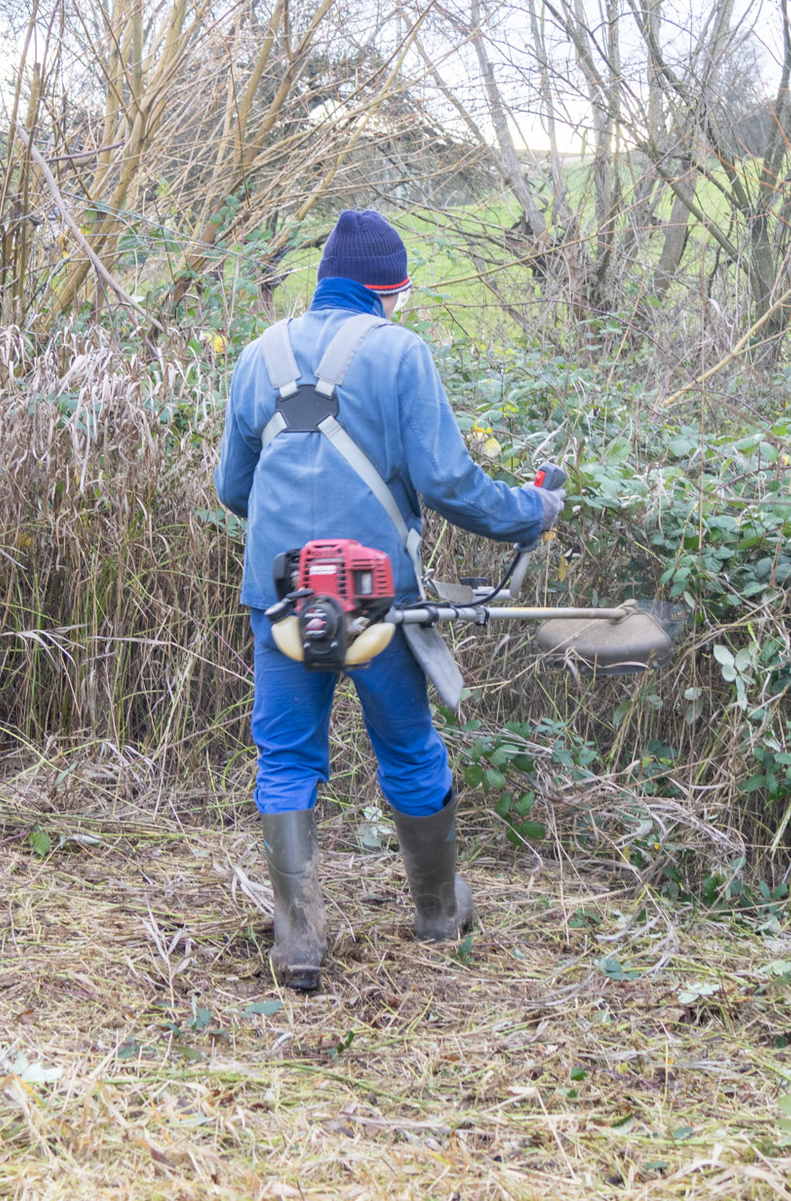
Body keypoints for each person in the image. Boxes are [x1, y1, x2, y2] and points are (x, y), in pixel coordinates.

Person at [214, 209, 564, 991]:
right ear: (390, 290)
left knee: (286, 755)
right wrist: (531, 511)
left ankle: (298, 940)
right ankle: (439, 913)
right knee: (406, 747)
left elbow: (233, 487)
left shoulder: (257, 355)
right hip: (380, 604)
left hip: (283, 598)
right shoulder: (402, 354)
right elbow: (448, 483)